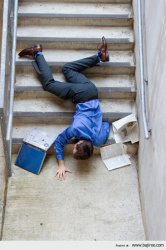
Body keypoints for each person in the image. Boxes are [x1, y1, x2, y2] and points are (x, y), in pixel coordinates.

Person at [18, 36, 110, 180]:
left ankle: (99, 56)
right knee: (49, 84)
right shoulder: (74, 130)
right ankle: (37, 53)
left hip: (92, 91)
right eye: (74, 147)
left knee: (67, 69)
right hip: (81, 95)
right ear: (79, 142)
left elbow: (106, 124)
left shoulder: (99, 140)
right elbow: (59, 142)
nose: (72, 146)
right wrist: (61, 164)